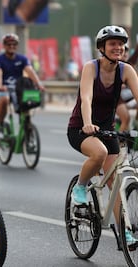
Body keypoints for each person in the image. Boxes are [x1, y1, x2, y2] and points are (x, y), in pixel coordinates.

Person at [67, 25, 138, 245]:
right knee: (99, 153)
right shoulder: (91, 68)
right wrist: (88, 123)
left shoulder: (126, 70)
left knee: (115, 184)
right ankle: (80, 186)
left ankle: (125, 231)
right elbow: (86, 98)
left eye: (121, 44)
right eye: (113, 44)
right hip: (81, 128)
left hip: (108, 130)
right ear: (102, 48)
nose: (118, 47)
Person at [0, 33, 45, 133]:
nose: (12, 46)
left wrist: (39, 84)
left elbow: (30, 71)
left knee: (27, 100)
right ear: (4, 46)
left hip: (18, 88)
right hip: (5, 88)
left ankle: (27, 123)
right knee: (4, 99)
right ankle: (1, 123)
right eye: (9, 44)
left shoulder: (22, 59)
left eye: (14, 44)